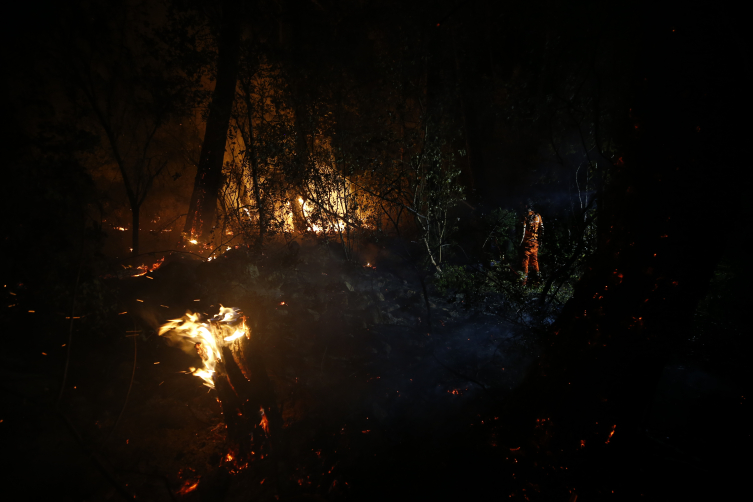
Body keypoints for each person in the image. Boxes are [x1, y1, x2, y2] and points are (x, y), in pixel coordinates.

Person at [519, 200, 544, 286]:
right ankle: (537, 281)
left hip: (526, 243)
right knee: (535, 262)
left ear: (526, 206)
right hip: (535, 243)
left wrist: (520, 243)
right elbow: (542, 229)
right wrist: (540, 240)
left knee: (524, 264)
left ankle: (523, 283)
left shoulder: (524, 216)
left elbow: (522, 231)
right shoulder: (538, 216)